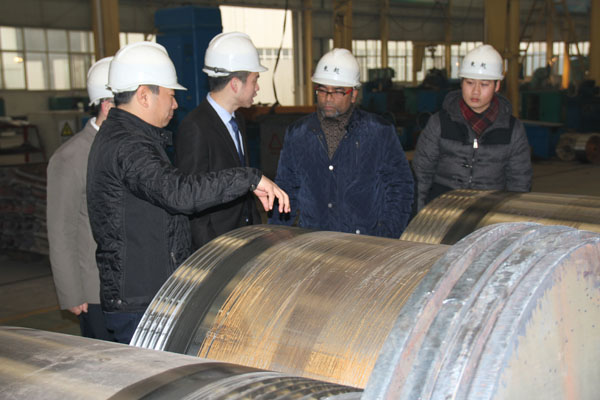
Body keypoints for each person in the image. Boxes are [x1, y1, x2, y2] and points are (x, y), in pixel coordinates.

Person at [86, 42, 289, 344]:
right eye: (170, 95)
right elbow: (178, 192)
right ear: (144, 95)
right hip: (139, 301)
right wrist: (249, 178)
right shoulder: (128, 146)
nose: (175, 105)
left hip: (148, 292)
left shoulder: (128, 138)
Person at [269, 48, 414, 238]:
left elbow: (400, 187)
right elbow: (285, 189)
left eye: (338, 91)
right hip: (315, 242)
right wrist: (277, 237)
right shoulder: (298, 134)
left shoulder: (379, 132)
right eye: (322, 90)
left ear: (353, 94)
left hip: (364, 244)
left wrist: (387, 236)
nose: (328, 98)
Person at [412, 44, 532, 212]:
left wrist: (511, 219)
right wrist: (420, 216)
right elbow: (421, 174)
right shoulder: (439, 123)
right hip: (442, 210)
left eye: (484, 84)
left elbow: (519, 182)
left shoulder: (513, 130)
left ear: (497, 86)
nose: (475, 91)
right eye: (469, 83)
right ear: (461, 83)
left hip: (489, 212)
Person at [175, 32, 266, 249]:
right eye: (255, 80)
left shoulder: (238, 120)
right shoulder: (195, 127)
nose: (257, 88)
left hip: (244, 241)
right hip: (218, 248)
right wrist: (212, 255)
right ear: (235, 84)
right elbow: (193, 204)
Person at [47, 57, 115, 341]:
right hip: (94, 290)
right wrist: (72, 292)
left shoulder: (129, 150)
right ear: (108, 105)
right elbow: (61, 230)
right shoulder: (71, 157)